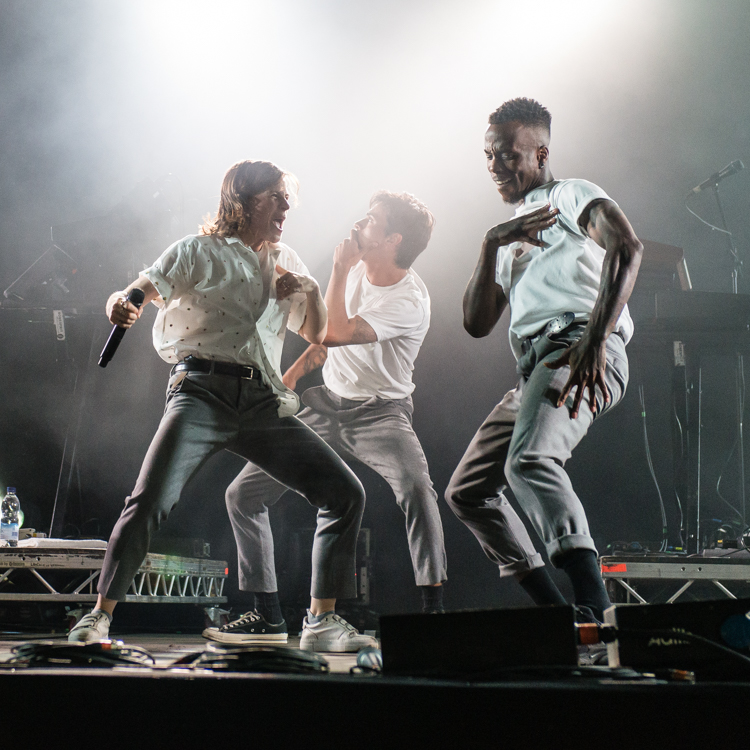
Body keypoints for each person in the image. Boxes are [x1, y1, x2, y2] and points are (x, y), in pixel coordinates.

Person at [68, 160, 377, 653]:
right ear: (244, 200)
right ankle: (98, 616)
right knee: (150, 499)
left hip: (261, 403)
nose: (286, 205)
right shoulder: (196, 252)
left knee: (345, 493)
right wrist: (119, 304)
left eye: (286, 197)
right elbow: (140, 291)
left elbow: (316, 333)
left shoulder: (287, 260)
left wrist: (312, 289)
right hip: (201, 392)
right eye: (276, 196)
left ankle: (321, 621)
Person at [203, 191, 447, 645]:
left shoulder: (408, 299)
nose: (359, 224)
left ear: (393, 239)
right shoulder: (357, 272)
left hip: (381, 415)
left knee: (417, 490)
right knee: (242, 494)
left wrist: (336, 269)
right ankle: (267, 614)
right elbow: (320, 345)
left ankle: (433, 611)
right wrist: (291, 377)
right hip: (326, 405)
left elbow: (331, 332)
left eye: (371, 221)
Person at [445, 98, 643, 623]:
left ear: (541, 152)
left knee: (528, 461)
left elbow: (627, 247)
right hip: (534, 368)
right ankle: (556, 617)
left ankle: (595, 613)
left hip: (580, 344)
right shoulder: (511, 233)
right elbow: (475, 322)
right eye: (489, 157)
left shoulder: (570, 194)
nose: (496, 167)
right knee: (467, 492)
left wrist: (597, 340)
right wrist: (491, 244)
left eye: (508, 155)